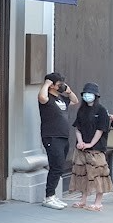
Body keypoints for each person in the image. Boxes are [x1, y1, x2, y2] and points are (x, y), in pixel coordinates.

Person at [38, 72, 79, 209]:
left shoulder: (61, 99)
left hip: (63, 137)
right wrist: (47, 84)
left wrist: (68, 90)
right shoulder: (47, 98)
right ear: (52, 85)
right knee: (55, 166)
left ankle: (53, 195)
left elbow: (75, 100)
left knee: (60, 166)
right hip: (51, 136)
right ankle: (48, 197)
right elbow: (42, 97)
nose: (62, 85)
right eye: (59, 83)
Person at [69, 83, 112, 211]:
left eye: (90, 93)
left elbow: (101, 130)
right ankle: (83, 200)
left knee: (98, 174)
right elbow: (78, 128)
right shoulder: (82, 110)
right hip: (82, 148)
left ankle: (98, 202)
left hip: (97, 148)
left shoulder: (101, 110)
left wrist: (91, 144)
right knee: (82, 174)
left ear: (96, 95)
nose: (87, 96)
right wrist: (80, 142)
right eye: (86, 93)